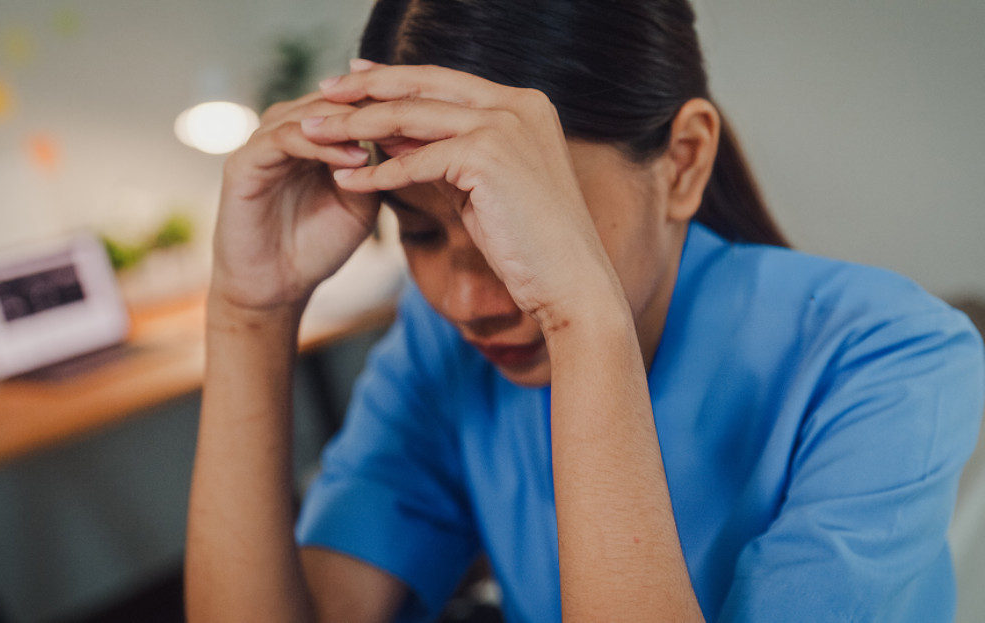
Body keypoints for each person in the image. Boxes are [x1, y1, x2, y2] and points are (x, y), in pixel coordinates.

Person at [184, 1, 985, 621]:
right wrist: (249, 312)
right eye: (420, 231)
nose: (466, 301)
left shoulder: (894, 360)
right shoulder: (440, 346)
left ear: (683, 162)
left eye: (522, 220)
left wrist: (583, 322)